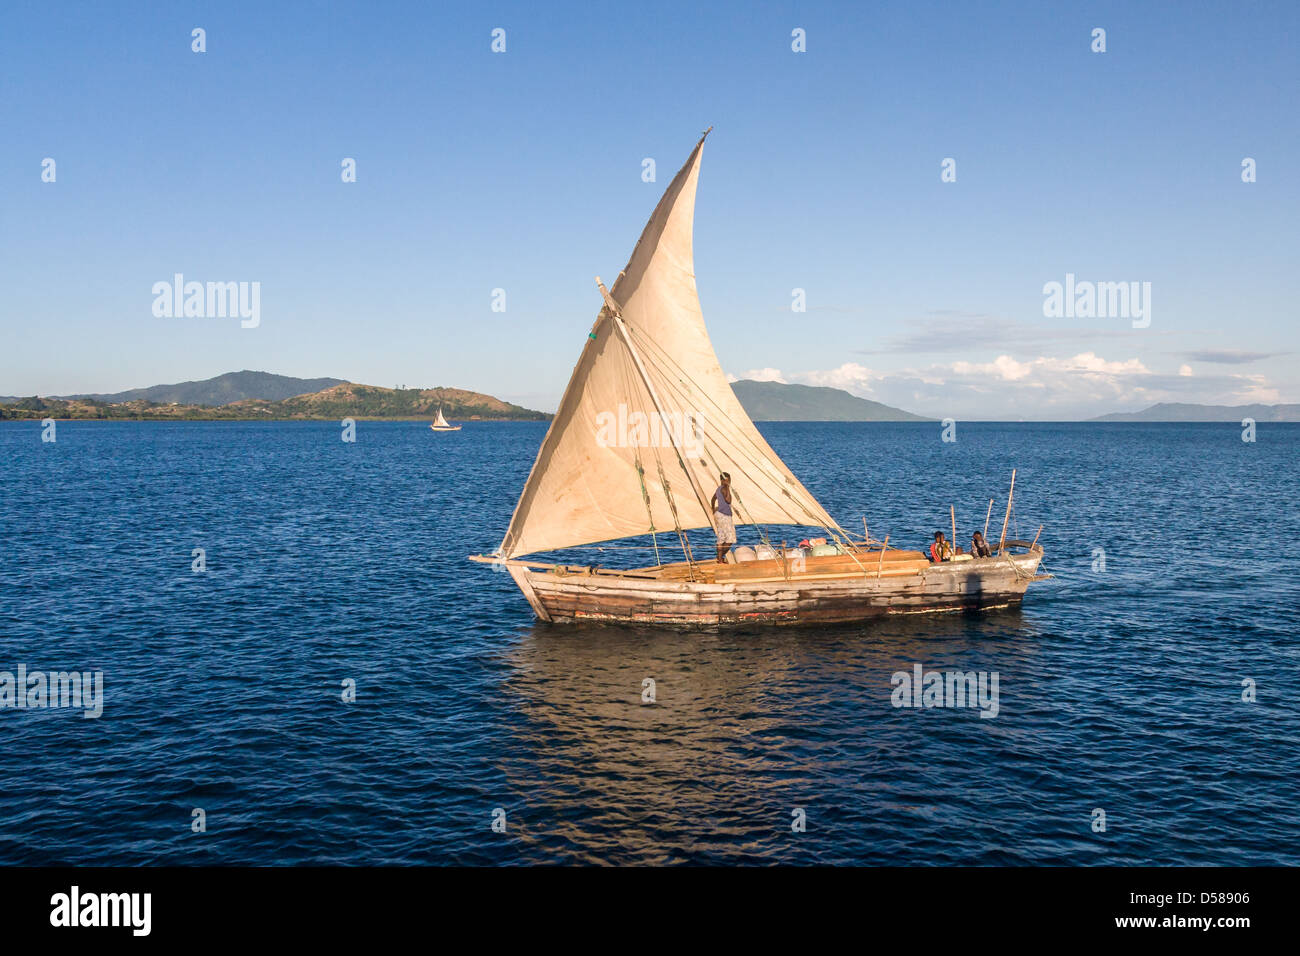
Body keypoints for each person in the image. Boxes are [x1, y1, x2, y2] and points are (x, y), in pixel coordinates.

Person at [711, 472, 736, 563]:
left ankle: (720, 559)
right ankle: (720, 556)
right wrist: (728, 487)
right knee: (730, 539)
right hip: (725, 516)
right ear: (722, 480)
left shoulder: (718, 489)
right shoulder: (725, 488)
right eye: (727, 480)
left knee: (721, 538)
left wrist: (713, 509)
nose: (728, 481)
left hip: (718, 515)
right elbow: (728, 501)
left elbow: (713, 499)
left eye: (729, 480)